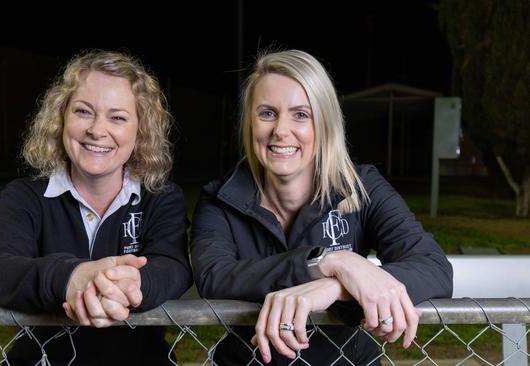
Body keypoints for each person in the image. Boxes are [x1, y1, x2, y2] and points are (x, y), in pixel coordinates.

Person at [190, 49, 453, 365]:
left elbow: (434, 267)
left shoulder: (361, 186)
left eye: (301, 114)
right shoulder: (222, 197)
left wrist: (335, 287)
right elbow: (215, 276)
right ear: (249, 122)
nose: (281, 130)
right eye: (267, 113)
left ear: (324, 124)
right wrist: (326, 263)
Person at [0, 50, 192, 365]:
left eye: (117, 117)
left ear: (140, 131)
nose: (97, 130)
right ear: (61, 117)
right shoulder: (25, 197)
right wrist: (71, 277)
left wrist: (128, 283)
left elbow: (173, 266)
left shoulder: (161, 197)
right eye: (83, 111)